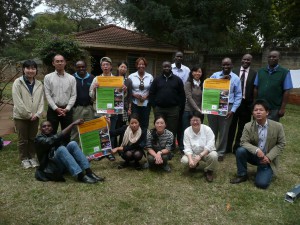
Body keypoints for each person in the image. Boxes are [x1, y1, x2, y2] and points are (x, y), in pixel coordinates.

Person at [230, 99, 286, 189]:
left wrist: (269, 157)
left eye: (261, 110)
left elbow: (281, 144)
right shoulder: (248, 126)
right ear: (253, 113)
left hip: (267, 159)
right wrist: (256, 150)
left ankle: (264, 169)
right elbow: (243, 142)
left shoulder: (278, 126)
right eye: (256, 110)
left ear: (267, 112)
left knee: (261, 184)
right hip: (254, 155)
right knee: (240, 150)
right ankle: (242, 175)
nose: (258, 112)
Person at [34, 119, 104, 183]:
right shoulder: (39, 139)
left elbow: (62, 143)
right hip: (52, 167)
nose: (47, 127)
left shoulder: (52, 135)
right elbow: (52, 140)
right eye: (44, 126)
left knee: (72, 143)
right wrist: (73, 124)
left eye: (49, 126)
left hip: (62, 164)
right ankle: (80, 175)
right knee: (61, 149)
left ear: (52, 128)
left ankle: (89, 172)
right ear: (40, 129)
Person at [207, 58, 242, 161]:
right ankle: (211, 150)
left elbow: (238, 95)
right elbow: (208, 88)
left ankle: (221, 152)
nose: (226, 66)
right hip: (213, 104)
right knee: (212, 129)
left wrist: (233, 110)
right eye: (224, 65)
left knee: (224, 130)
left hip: (227, 106)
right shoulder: (215, 75)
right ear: (221, 65)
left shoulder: (236, 79)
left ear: (232, 65)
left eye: (228, 65)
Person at [12, 60, 44, 169]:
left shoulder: (39, 84)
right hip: (21, 116)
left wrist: (38, 113)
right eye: (28, 68)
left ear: (36, 70)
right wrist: (28, 114)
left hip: (35, 116)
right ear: (23, 69)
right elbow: (18, 101)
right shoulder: (18, 82)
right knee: (23, 139)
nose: (31, 71)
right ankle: (24, 159)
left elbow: (41, 101)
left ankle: (32, 157)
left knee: (32, 138)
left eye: (33, 68)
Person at [89, 57, 122, 161]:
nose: (105, 66)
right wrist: (94, 88)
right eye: (103, 65)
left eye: (107, 64)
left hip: (112, 111)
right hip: (100, 110)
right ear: (101, 67)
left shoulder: (116, 79)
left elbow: (120, 96)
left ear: (111, 66)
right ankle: (100, 153)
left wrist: (123, 90)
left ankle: (110, 152)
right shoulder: (96, 79)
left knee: (111, 132)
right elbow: (91, 95)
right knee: (101, 131)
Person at [149, 61, 185, 151]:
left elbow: (182, 95)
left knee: (172, 129)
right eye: (165, 66)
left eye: (168, 66)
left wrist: (179, 107)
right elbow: (152, 93)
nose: (166, 68)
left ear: (171, 67)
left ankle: (171, 147)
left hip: (173, 109)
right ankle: (158, 145)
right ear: (162, 67)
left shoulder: (177, 80)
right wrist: (154, 106)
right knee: (159, 127)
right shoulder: (157, 79)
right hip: (159, 109)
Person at [226, 54, 256, 154]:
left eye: (248, 60)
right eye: (244, 59)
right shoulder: (233, 71)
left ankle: (237, 147)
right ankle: (227, 147)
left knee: (243, 127)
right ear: (241, 60)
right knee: (231, 126)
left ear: (251, 61)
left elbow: (255, 89)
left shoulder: (254, 73)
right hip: (233, 103)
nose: (246, 61)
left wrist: (253, 104)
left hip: (246, 105)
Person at [44, 54, 76, 145]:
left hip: (67, 110)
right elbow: (47, 94)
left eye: (61, 61)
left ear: (65, 63)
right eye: (57, 61)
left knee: (66, 134)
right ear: (53, 63)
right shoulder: (48, 77)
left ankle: (66, 152)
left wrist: (67, 108)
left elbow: (73, 95)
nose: (60, 63)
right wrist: (56, 108)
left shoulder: (71, 78)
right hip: (53, 110)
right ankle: (52, 153)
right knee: (51, 133)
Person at [254, 50, 293, 122]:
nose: (272, 58)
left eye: (274, 57)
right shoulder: (260, 71)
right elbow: (256, 88)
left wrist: (282, 108)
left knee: (271, 130)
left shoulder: (284, 72)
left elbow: (286, 91)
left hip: (274, 108)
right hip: (260, 107)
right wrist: (255, 103)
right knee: (257, 128)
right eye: (270, 57)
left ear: (279, 58)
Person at [181, 111, 218, 182]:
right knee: (184, 160)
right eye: (193, 120)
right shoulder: (187, 131)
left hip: (205, 153)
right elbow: (187, 147)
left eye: (197, 120)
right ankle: (194, 165)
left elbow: (210, 145)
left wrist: (200, 156)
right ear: (190, 121)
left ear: (201, 121)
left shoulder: (207, 129)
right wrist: (191, 159)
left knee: (214, 155)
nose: (195, 122)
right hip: (193, 154)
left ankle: (209, 171)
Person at [180, 66, 204, 153]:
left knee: (197, 130)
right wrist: (197, 108)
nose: (197, 73)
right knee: (186, 130)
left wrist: (202, 108)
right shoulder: (188, 83)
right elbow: (189, 98)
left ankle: (195, 147)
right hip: (189, 111)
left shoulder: (203, 84)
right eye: (195, 71)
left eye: (199, 71)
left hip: (199, 111)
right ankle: (183, 148)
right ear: (192, 73)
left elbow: (204, 98)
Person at [70, 60, 95, 143]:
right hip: (77, 108)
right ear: (75, 68)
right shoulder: (72, 78)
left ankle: (88, 151)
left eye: (83, 66)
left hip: (89, 108)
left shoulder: (92, 78)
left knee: (89, 129)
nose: (81, 68)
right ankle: (74, 149)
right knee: (76, 130)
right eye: (78, 67)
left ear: (86, 67)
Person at [171, 51, 190, 153]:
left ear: (183, 58)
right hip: (172, 99)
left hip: (183, 99)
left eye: (181, 57)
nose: (179, 58)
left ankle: (182, 146)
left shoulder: (187, 70)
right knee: (172, 123)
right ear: (174, 58)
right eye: (177, 56)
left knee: (181, 124)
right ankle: (172, 145)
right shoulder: (169, 67)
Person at [128, 57, 153, 132]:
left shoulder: (150, 76)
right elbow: (129, 89)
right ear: (136, 65)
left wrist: (146, 96)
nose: (141, 66)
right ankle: (135, 140)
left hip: (146, 103)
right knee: (135, 122)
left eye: (143, 64)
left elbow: (152, 89)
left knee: (145, 122)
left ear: (145, 65)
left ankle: (143, 141)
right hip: (135, 103)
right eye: (139, 64)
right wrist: (134, 94)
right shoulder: (131, 76)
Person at [115, 61, 132, 146]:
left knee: (123, 126)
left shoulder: (128, 81)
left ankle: (121, 144)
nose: (123, 68)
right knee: (114, 126)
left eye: (125, 67)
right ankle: (114, 144)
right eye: (121, 66)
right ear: (118, 68)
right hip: (114, 106)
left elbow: (129, 96)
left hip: (124, 107)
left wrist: (129, 108)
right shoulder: (113, 78)